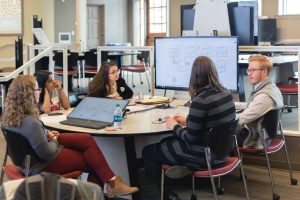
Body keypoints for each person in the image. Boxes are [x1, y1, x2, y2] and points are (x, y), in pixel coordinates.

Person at [1, 75, 139, 198]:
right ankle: (111, 185)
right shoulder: (30, 122)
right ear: (29, 94)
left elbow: (31, 141)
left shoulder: (9, 118)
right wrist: (54, 139)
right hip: (40, 165)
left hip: (26, 163)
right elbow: (46, 153)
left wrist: (47, 134)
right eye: (37, 90)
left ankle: (113, 182)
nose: (39, 92)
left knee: (86, 139)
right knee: (94, 163)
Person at [142, 56, 236, 200]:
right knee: (166, 141)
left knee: (148, 151)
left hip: (205, 156)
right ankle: (180, 173)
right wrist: (188, 121)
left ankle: (167, 195)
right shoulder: (226, 93)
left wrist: (173, 125)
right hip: (222, 153)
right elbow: (213, 124)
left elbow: (191, 138)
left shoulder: (200, 100)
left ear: (195, 76)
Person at [235, 55, 283, 149]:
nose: (249, 73)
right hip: (262, 135)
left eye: (253, 70)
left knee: (216, 134)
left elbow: (242, 119)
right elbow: (253, 105)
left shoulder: (265, 96)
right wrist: (231, 105)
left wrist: (222, 116)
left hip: (256, 140)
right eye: (248, 70)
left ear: (264, 71)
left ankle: (218, 162)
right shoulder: (270, 87)